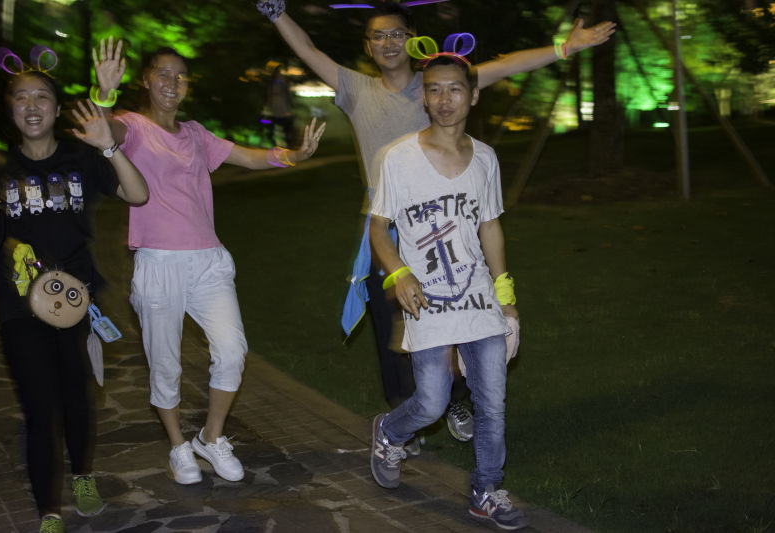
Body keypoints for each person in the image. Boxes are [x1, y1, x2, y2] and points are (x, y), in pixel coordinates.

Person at [256, 0, 615, 447]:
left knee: (458, 311)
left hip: (444, 226)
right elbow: (308, 51)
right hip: (387, 226)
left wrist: (566, 47)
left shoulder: (436, 83)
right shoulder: (356, 88)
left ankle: (455, 399)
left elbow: (504, 66)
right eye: (378, 36)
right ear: (368, 46)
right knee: (393, 319)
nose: (388, 43)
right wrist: (276, 12)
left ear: (412, 39)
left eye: (397, 33)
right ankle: (404, 412)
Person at [91, 39, 325, 485]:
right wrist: (104, 93)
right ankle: (178, 445)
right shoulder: (132, 126)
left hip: (208, 261)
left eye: (180, 76)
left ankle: (210, 437)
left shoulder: (196, 133)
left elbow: (248, 157)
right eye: (163, 73)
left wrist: (292, 155)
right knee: (166, 365)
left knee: (232, 351)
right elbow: (102, 131)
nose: (172, 82)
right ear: (146, 80)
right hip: (159, 262)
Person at [0, 66, 149, 533]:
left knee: (77, 397)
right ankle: (48, 511)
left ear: (55, 108)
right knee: (39, 407)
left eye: (42, 96)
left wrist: (107, 146)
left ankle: (83, 475)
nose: (32, 105)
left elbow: (138, 194)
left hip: (76, 302)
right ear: (10, 109)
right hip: (17, 307)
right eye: (21, 97)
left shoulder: (80, 158)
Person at [369, 52, 527, 530]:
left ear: (473, 96)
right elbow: (378, 228)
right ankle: (389, 431)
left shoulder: (486, 158)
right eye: (433, 89)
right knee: (432, 403)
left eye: (454, 89)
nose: (443, 99)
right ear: (423, 97)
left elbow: (490, 226)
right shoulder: (398, 158)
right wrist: (399, 274)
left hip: (478, 297)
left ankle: (486, 490)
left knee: (491, 401)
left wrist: (505, 296)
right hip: (427, 300)